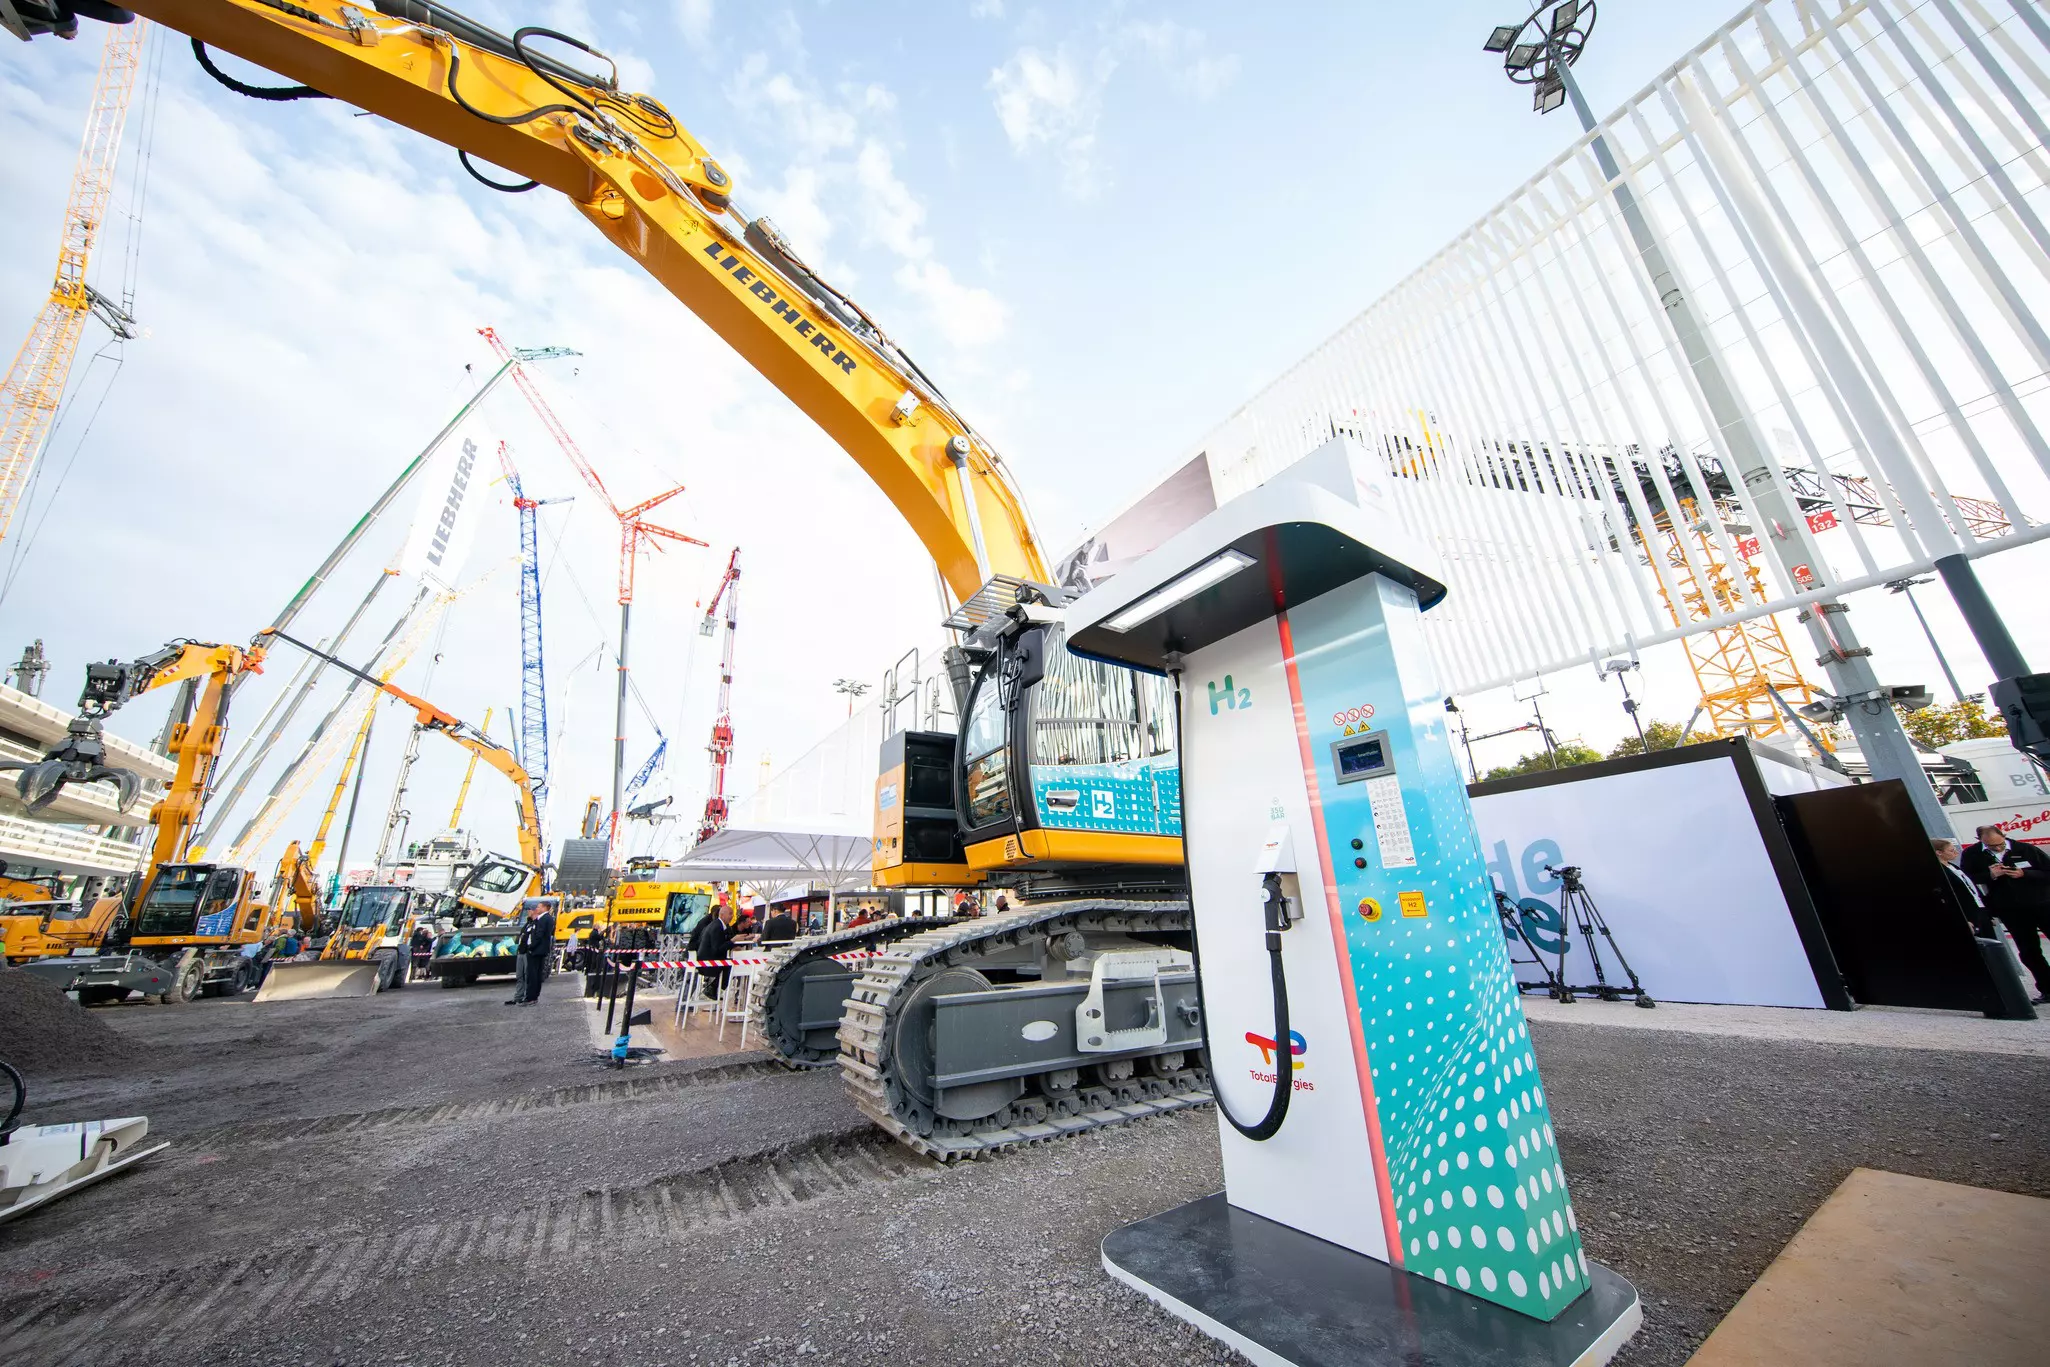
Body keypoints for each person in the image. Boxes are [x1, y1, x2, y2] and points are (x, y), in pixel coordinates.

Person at [1962, 824, 2050, 1004]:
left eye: (2000, 844)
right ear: (1980, 841)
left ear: (2004, 836)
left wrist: (2024, 874)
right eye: (1991, 847)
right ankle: (2047, 988)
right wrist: (1990, 874)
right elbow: (1967, 878)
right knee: (2028, 950)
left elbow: (2047, 871)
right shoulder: (1973, 854)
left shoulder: (2025, 849)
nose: (1997, 849)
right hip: (2010, 909)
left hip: (2041, 903)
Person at [1932, 839, 1992, 937]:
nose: (1956, 852)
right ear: (1939, 853)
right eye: (1951, 851)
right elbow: (1949, 897)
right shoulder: (1940, 871)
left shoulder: (1953, 866)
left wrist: (1987, 913)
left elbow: (1971, 889)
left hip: (1979, 909)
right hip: (1967, 914)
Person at [508, 902, 558, 1006]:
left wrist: (531, 947)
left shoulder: (544, 919)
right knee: (533, 974)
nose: (537, 908)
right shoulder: (544, 919)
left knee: (532, 975)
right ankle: (530, 997)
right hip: (536, 950)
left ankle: (531, 998)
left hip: (536, 951)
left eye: (539, 907)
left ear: (545, 908)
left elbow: (539, 935)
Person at [689, 902, 735, 1000]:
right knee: (731, 965)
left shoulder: (718, 925)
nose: (732, 916)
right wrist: (732, 941)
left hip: (706, 959)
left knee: (729, 963)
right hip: (707, 963)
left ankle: (714, 988)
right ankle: (713, 989)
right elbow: (717, 949)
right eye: (730, 914)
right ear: (722, 915)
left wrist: (732, 945)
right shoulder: (717, 927)